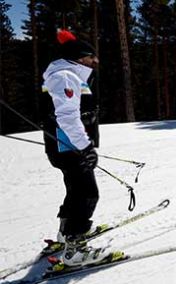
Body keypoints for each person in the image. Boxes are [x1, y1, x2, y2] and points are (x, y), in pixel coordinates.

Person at [41, 29, 109, 266]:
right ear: (81, 58)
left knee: (75, 189)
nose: (96, 61)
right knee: (88, 193)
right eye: (92, 57)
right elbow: (68, 117)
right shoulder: (66, 76)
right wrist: (86, 147)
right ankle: (75, 250)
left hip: (66, 146)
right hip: (68, 146)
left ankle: (65, 234)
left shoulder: (68, 74)